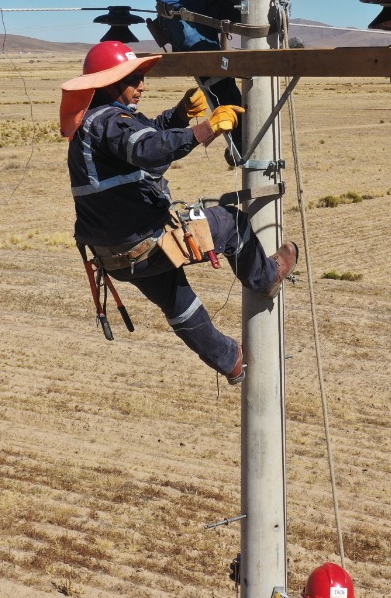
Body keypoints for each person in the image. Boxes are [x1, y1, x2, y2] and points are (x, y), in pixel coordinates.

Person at [60, 40, 296, 383]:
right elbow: (148, 148)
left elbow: (142, 137)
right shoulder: (110, 120)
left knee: (178, 303)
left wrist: (178, 115)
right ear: (109, 82)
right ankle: (266, 277)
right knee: (232, 223)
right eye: (133, 77)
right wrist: (207, 127)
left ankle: (229, 360)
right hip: (146, 243)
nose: (142, 85)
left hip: (116, 255)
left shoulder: (93, 122)